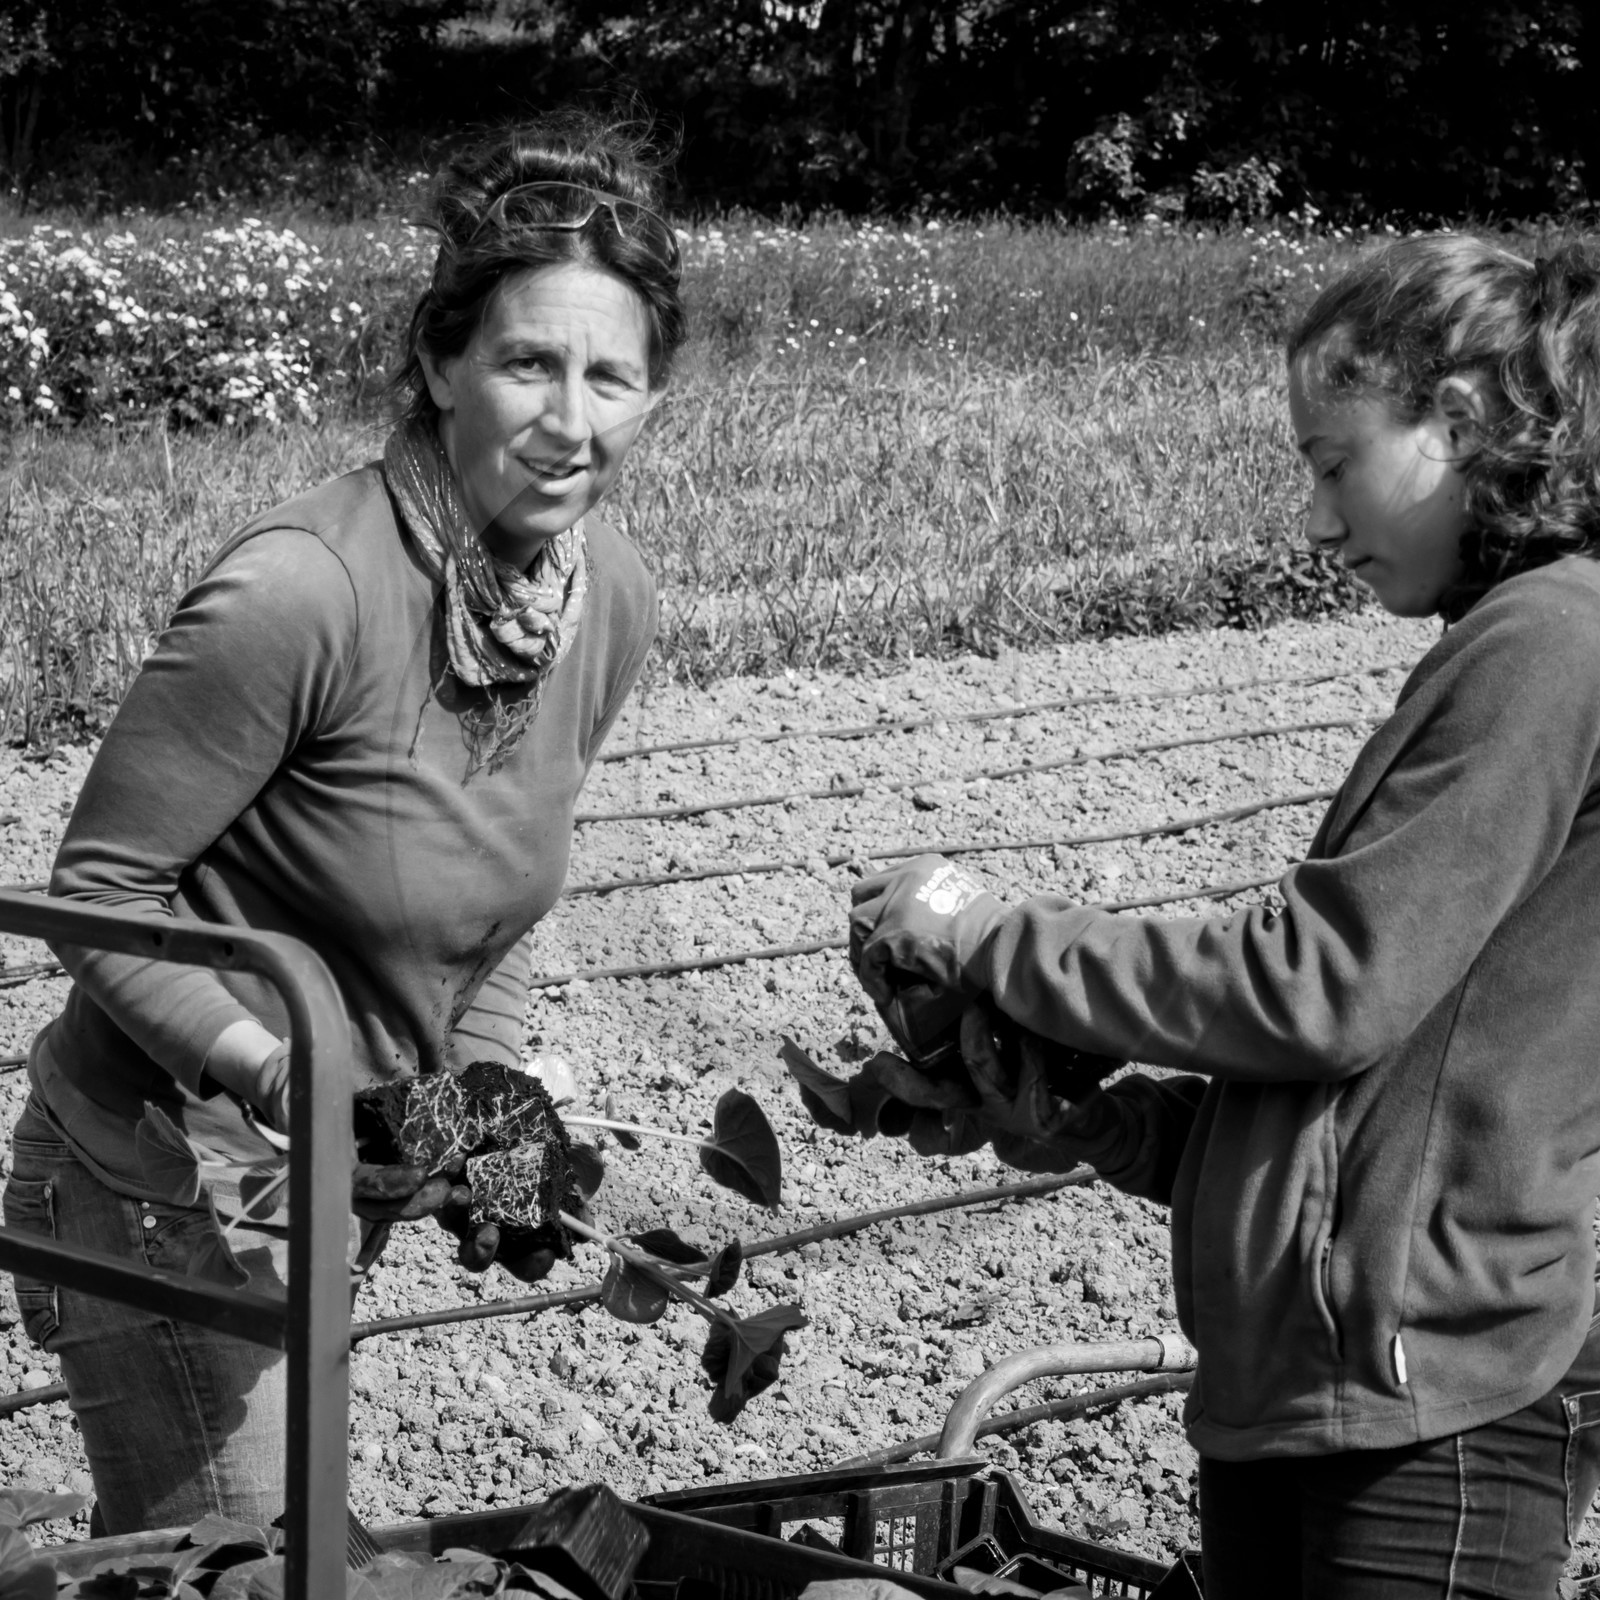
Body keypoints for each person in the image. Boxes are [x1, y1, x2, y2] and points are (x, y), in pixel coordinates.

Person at [846, 235, 1600, 1598]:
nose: (1317, 521)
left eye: (1333, 460)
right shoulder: (1512, 644)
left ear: (1466, 422)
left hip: (1423, 1404)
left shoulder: (1551, 644)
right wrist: (1093, 1116)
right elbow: (1359, 1109)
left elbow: (1327, 986)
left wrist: (983, 929)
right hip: (1325, 1387)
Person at [1, 109, 683, 1535]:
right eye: (528, 363)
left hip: (328, 1174)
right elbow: (97, 893)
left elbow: (492, 913)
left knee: (279, 1554)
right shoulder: (304, 592)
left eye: (611, 376)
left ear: (652, 396)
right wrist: (289, 1075)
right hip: (158, 1180)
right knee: (256, 1570)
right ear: (441, 366)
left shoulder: (599, 596)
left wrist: (485, 1106)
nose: (571, 420)